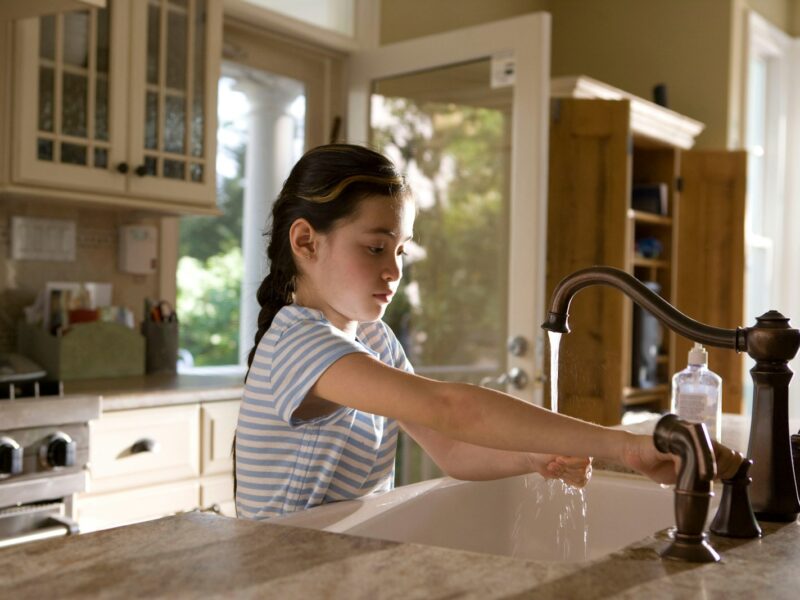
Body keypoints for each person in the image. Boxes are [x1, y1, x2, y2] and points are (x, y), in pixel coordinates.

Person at [234, 143, 741, 520]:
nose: (394, 270)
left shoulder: (373, 339)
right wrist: (624, 445)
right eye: (375, 247)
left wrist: (531, 453)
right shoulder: (297, 342)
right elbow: (453, 409)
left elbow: (451, 447)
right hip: (277, 571)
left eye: (401, 251)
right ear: (306, 241)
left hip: (336, 563)